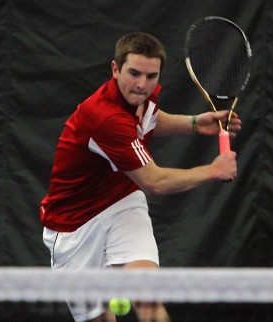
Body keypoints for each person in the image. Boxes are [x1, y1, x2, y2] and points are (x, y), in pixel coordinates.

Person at [40, 32, 241, 322]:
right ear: (115, 69)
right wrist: (213, 170)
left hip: (122, 202)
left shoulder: (140, 96)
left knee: (147, 298)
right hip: (74, 225)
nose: (142, 85)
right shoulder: (105, 118)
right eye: (134, 73)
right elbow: (155, 182)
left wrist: (195, 124)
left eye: (151, 76)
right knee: (100, 318)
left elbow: (150, 119)